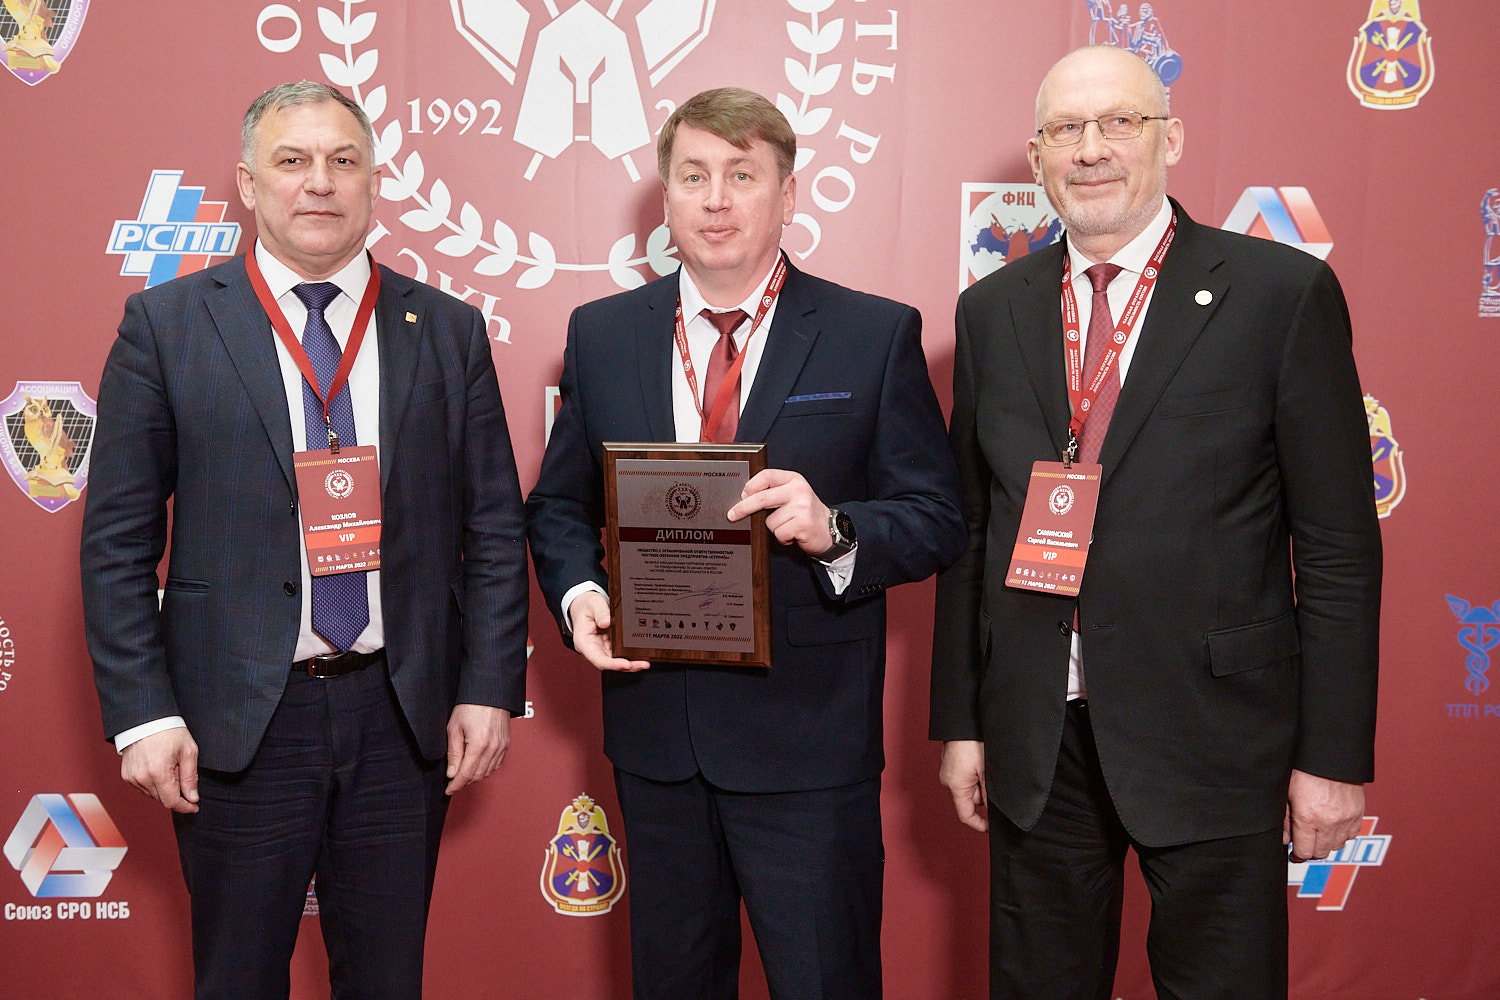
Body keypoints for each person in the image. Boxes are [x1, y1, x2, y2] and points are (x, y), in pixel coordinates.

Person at [929, 46, 1381, 1000]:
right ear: (1037, 155)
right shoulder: (990, 312)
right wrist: (964, 722)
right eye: (1066, 129)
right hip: (1037, 742)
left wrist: (1332, 759)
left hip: (1217, 736)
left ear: (1170, 139)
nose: (1091, 149)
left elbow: (1338, 548)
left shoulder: (1280, 295)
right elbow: (972, 535)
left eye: (1120, 123)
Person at [80, 81, 529, 999]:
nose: (319, 182)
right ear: (249, 184)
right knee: (238, 980)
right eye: (292, 161)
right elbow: (117, 544)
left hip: (400, 715)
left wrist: (488, 686)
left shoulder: (446, 329)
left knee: (387, 981)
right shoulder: (166, 327)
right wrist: (145, 715)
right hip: (235, 721)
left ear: (373, 182)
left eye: (343, 160)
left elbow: (491, 527)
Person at [526, 87, 964, 999]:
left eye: (742, 175)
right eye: (693, 176)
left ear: (788, 194)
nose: (716, 199)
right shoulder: (602, 334)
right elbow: (558, 506)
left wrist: (836, 529)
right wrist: (580, 595)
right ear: (666, 198)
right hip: (658, 741)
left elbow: (936, 516)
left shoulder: (873, 334)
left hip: (808, 747)